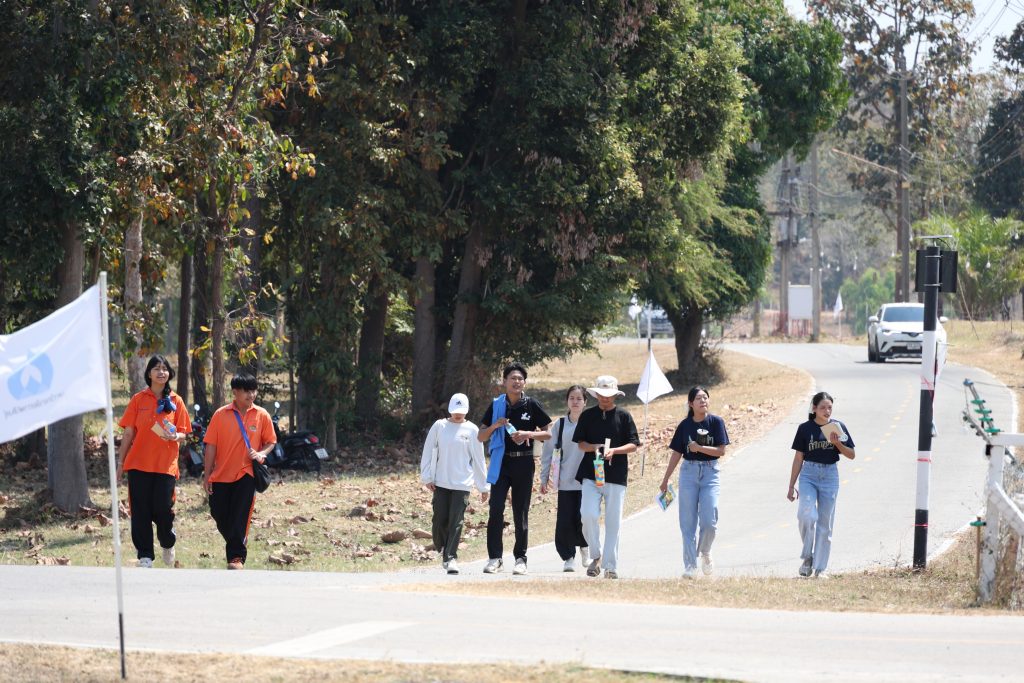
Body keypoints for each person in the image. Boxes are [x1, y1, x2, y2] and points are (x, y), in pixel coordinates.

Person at [116, 355, 192, 568]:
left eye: (165, 368)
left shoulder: (176, 401)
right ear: (149, 373)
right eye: (157, 368)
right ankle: (145, 555)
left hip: (165, 466)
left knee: (162, 509)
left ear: (169, 374)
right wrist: (120, 463)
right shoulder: (138, 400)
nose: (161, 372)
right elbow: (128, 434)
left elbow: (184, 433)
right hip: (138, 464)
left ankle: (167, 541)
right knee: (140, 511)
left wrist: (175, 436)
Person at [478, 362, 552, 575]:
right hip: (501, 463)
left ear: (524, 383)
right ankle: (495, 558)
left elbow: (549, 433)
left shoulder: (531, 404)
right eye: (513, 378)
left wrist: (529, 434)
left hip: (524, 463)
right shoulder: (497, 405)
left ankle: (521, 558)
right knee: (495, 509)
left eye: (520, 378)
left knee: (520, 511)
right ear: (504, 381)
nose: (517, 382)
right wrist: (495, 425)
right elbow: (481, 436)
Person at [202, 374, 276, 570]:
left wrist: (261, 453)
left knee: (240, 516)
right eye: (246, 391)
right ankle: (237, 538)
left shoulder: (262, 415)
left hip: (247, 474)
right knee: (218, 512)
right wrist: (207, 474)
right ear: (235, 392)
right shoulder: (220, 415)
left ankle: (236, 557)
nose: (251, 395)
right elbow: (211, 446)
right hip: (221, 474)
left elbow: (271, 441)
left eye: (254, 390)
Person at [573, 375, 639, 579]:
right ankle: (596, 556)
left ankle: (610, 566)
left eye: (609, 394)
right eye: (601, 394)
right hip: (590, 474)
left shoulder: (624, 416)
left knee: (613, 522)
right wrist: (594, 447)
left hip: (616, 475)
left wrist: (615, 451)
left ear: (615, 395)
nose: (605, 398)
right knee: (587, 514)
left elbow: (634, 444)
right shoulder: (587, 416)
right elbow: (580, 443)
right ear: (596, 394)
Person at [660, 386, 730, 578]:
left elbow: (721, 451)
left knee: (709, 521)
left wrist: (699, 447)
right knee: (687, 523)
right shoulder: (684, 426)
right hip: (688, 473)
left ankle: (705, 551)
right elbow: (677, 453)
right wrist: (666, 479)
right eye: (698, 398)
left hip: (710, 472)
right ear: (690, 403)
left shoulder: (716, 422)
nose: (703, 401)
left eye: (705, 397)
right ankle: (690, 566)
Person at [787, 391, 856, 578]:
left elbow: (851, 454)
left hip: (830, 475)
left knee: (825, 524)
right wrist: (791, 485)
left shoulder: (838, 427)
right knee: (806, 515)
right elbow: (798, 458)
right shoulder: (805, 428)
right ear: (814, 408)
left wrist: (838, 444)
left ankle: (820, 568)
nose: (827, 411)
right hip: (808, 474)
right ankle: (807, 557)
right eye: (823, 407)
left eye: (830, 407)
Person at [420, 393, 490, 575]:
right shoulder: (439, 426)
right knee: (439, 520)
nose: (458, 414)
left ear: (467, 410)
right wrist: (427, 477)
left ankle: (451, 557)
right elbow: (427, 452)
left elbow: (478, 460)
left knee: (456, 521)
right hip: (441, 482)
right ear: (450, 410)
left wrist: (483, 487)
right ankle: (442, 547)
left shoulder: (472, 430)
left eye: (461, 411)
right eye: (455, 411)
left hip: (462, 484)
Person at [540, 385, 590, 572]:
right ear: (567, 401)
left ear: (585, 402)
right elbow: (547, 452)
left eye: (579, 398)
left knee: (585, 518)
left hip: (588, 481)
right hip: (565, 481)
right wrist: (544, 478)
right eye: (572, 398)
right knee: (565, 522)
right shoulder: (559, 425)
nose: (575, 402)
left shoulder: (591, 422)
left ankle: (585, 547)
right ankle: (568, 558)